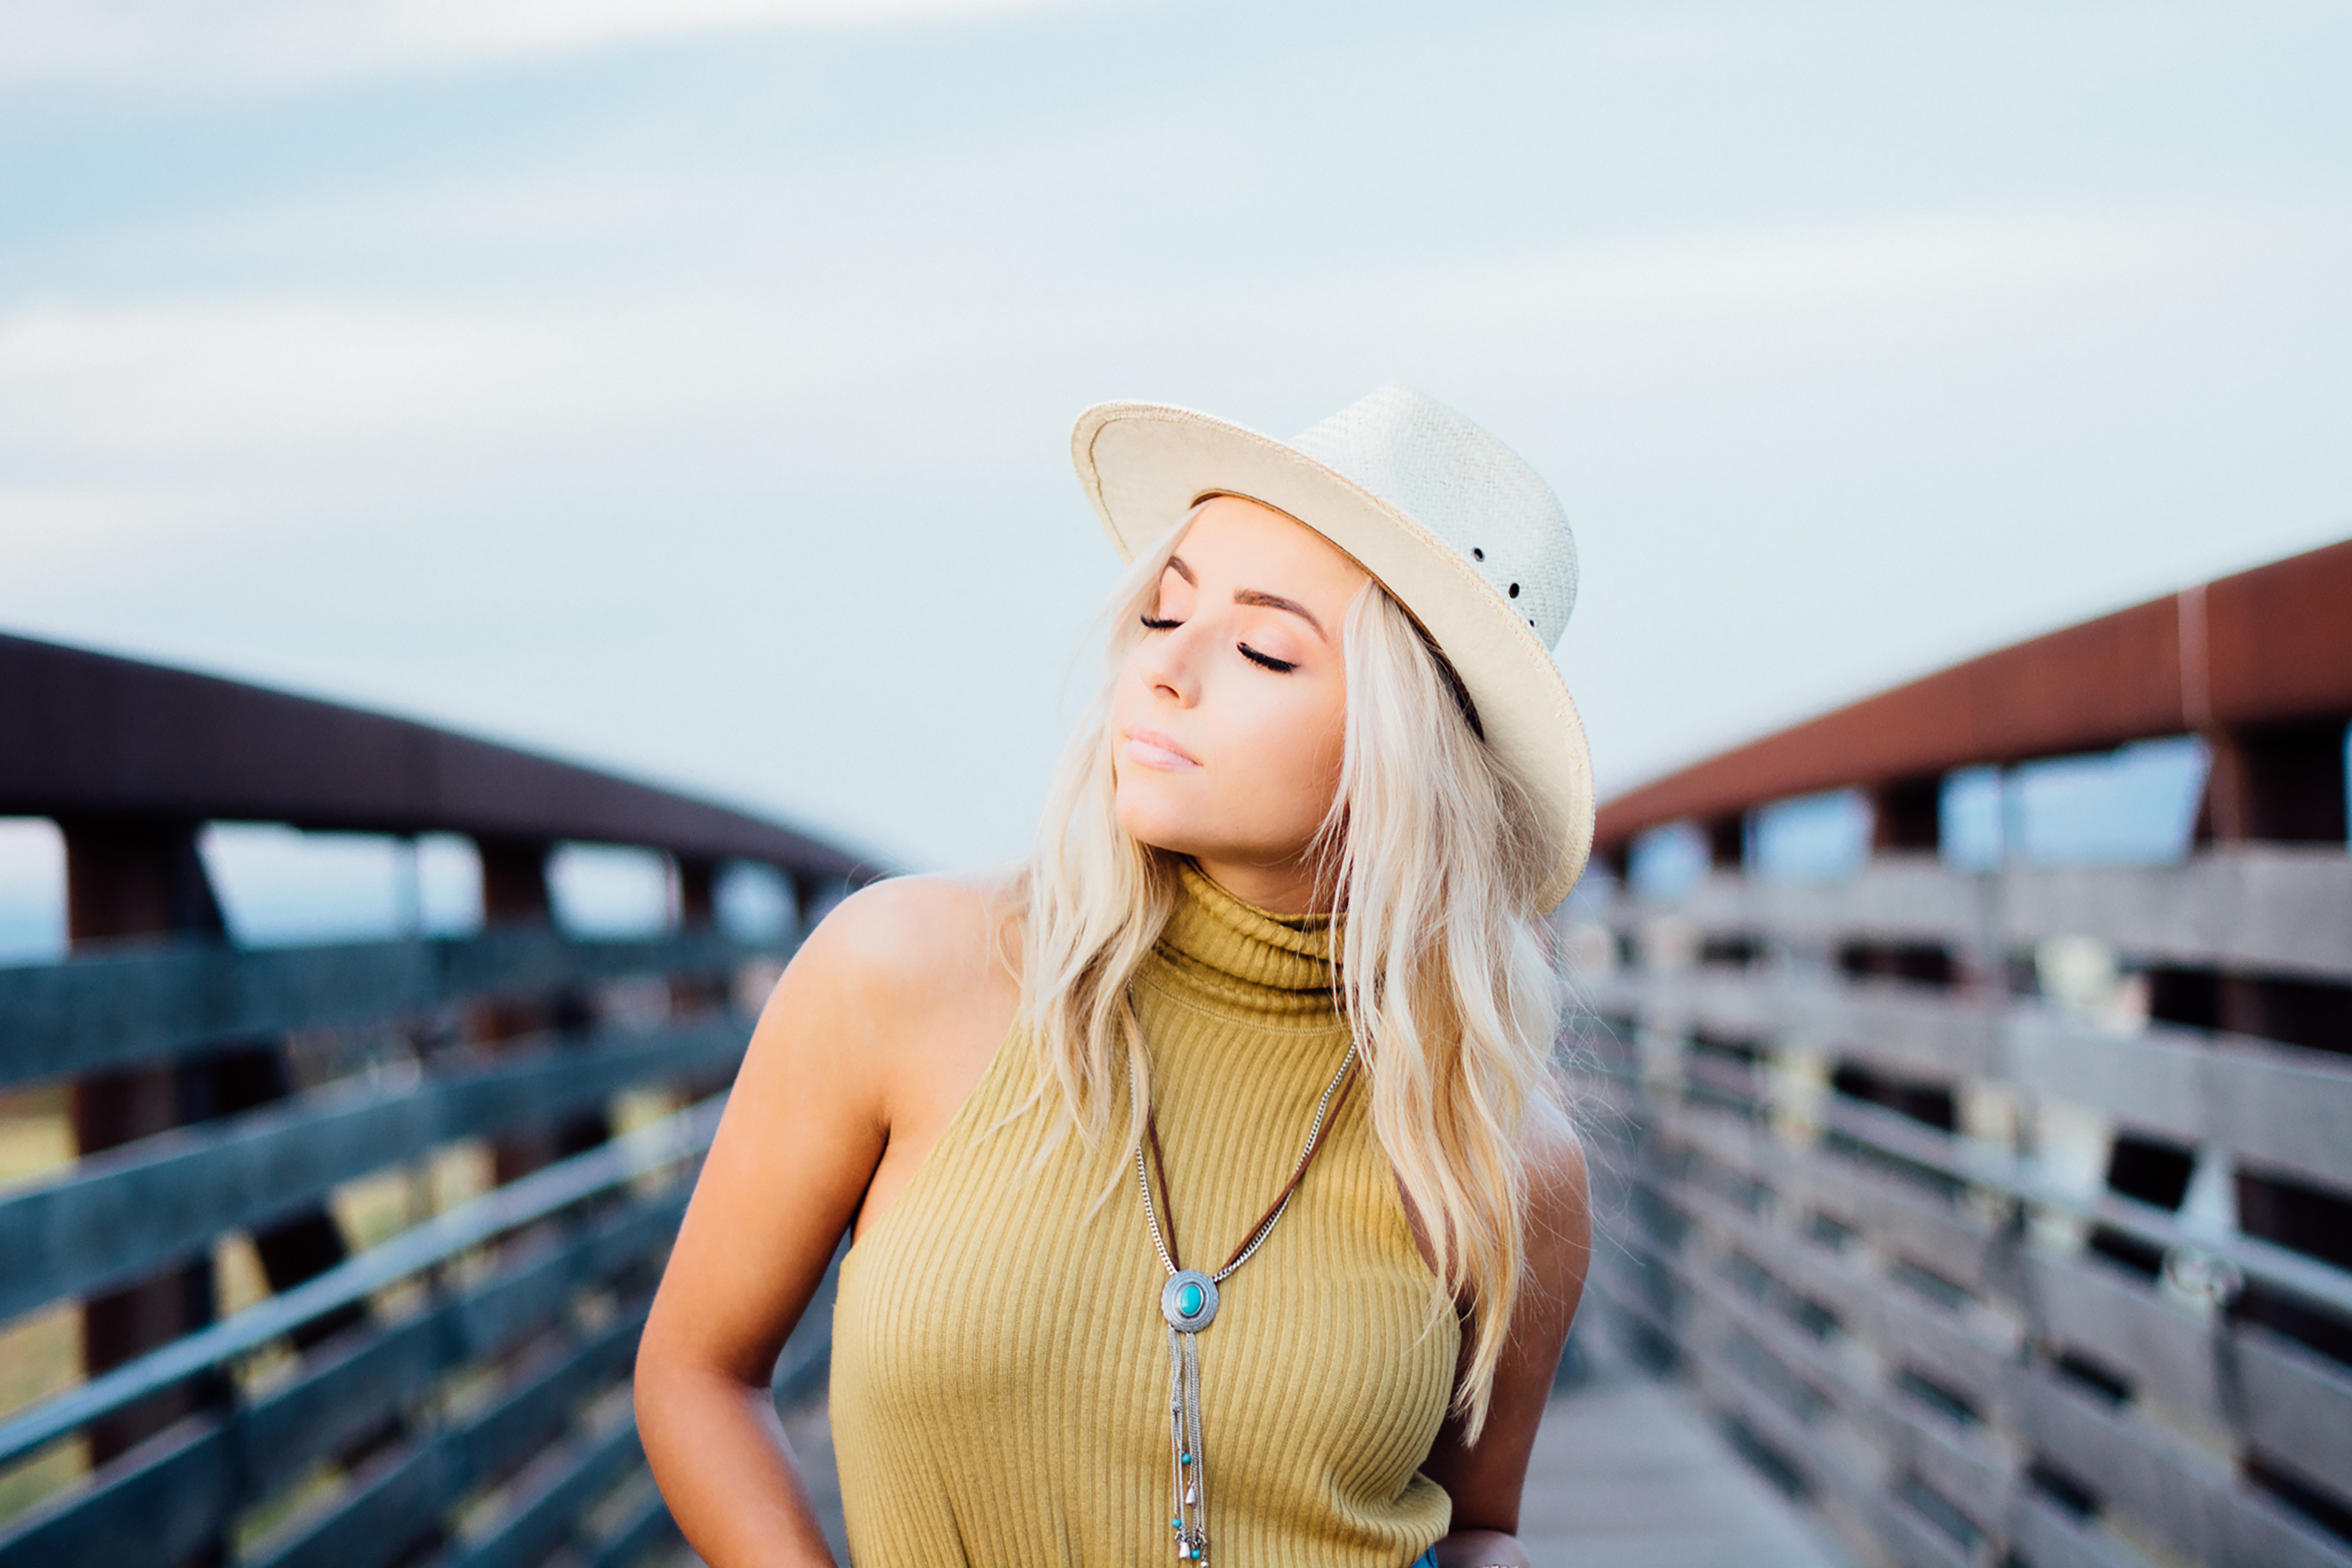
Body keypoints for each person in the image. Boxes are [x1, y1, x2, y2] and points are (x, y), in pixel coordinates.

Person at [636, 386, 1597, 1568]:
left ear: (1412, 748)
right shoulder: (903, 972)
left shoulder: (1497, 1146)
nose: (1163, 670)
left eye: (1260, 647)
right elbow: (696, 1372)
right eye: (1161, 611)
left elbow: (1478, 1525)